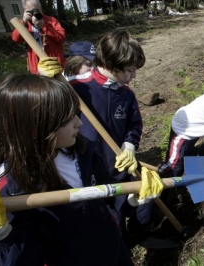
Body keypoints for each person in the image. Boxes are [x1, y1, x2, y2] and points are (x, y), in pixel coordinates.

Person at [0, 74, 132, 265]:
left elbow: (104, 191)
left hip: (111, 250)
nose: (79, 123)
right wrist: (2, 235)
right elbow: (22, 258)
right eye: (67, 119)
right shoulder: (10, 189)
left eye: (76, 113)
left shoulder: (83, 150)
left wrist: (132, 199)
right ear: (37, 127)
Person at [65, 28, 153, 245]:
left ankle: (139, 236)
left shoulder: (126, 95)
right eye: (130, 70)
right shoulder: (75, 87)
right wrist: (46, 80)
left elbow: (134, 124)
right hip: (87, 170)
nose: (134, 76)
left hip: (117, 165)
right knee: (109, 223)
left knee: (140, 202)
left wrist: (130, 146)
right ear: (113, 65)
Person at [11, 0, 65, 74]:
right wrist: (24, 22)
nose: (36, 13)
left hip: (54, 63)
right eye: (32, 11)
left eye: (38, 10)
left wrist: (43, 26)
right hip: (36, 64)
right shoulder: (24, 23)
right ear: (26, 11)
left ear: (41, 9)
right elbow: (16, 39)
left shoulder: (51, 20)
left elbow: (61, 38)